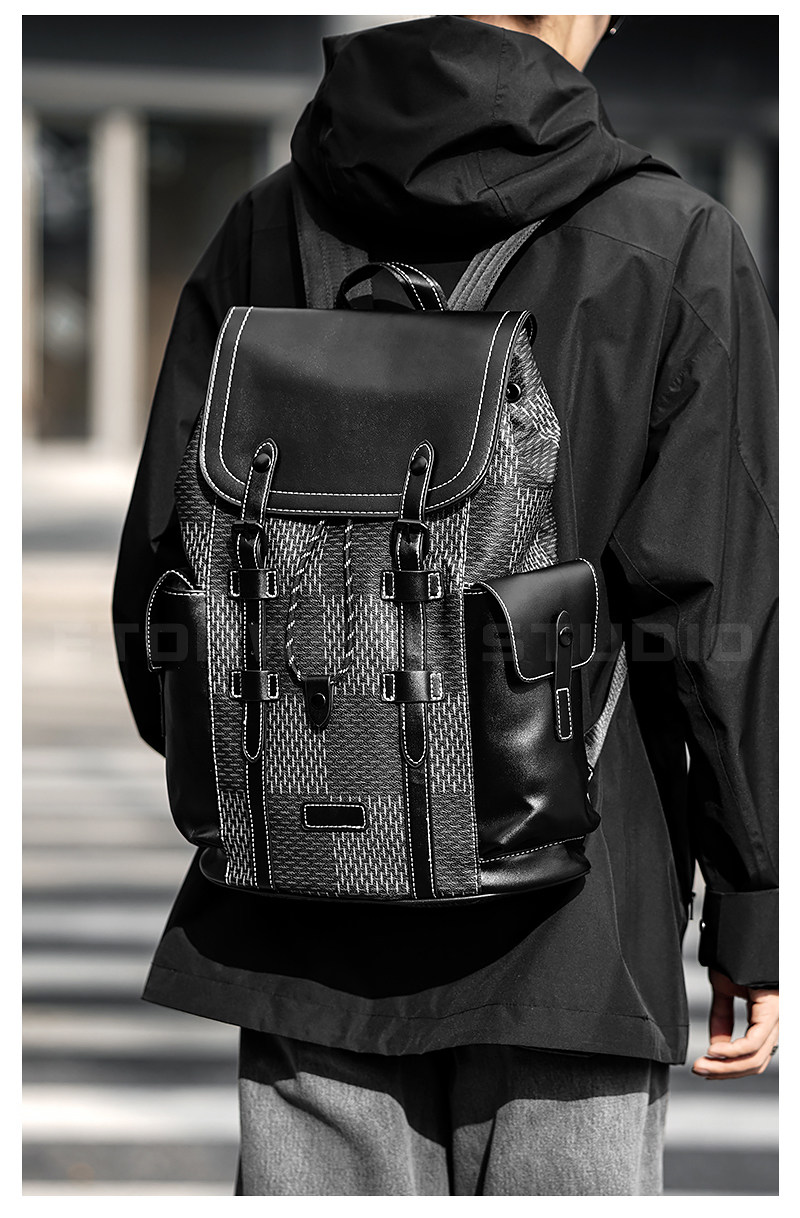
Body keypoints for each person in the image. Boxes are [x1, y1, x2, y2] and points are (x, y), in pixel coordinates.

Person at [112, 14, 779, 1197]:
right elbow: (713, 613)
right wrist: (750, 905)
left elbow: (162, 581)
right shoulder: (671, 240)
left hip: (298, 912)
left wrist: (282, 763)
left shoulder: (267, 225)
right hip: (569, 919)